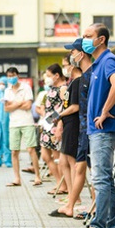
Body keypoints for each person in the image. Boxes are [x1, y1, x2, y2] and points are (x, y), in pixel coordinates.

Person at [76, 23, 115, 228]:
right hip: (99, 129)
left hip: (102, 129)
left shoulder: (108, 60)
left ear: (101, 39)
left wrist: (105, 112)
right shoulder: (98, 64)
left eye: (88, 36)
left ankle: (99, 226)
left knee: (101, 178)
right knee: (105, 177)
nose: (84, 39)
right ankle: (111, 221)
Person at [52, 38, 93, 218]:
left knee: (80, 166)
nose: (67, 64)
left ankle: (76, 201)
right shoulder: (75, 82)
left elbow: (76, 107)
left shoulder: (82, 79)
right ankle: (72, 200)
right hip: (78, 126)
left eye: (68, 60)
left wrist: (58, 116)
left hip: (80, 127)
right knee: (73, 164)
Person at [4, 67, 42, 186]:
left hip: (27, 122)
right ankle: (17, 178)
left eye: (13, 75)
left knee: (31, 149)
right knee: (14, 151)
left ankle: (37, 176)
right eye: (9, 76)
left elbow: (28, 106)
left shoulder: (25, 87)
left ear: (17, 75)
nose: (11, 78)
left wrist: (13, 104)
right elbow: (6, 108)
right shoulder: (7, 90)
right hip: (14, 123)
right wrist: (20, 102)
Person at [50, 64, 81, 199]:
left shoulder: (78, 82)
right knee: (63, 161)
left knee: (72, 162)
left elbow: (75, 106)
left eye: (65, 65)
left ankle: (75, 197)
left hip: (74, 124)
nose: (65, 68)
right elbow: (65, 105)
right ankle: (71, 193)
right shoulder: (71, 83)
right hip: (67, 124)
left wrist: (59, 116)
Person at [39, 64, 67, 192]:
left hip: (55, 124)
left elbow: (63, 107)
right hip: (47, 124)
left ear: (57, 75)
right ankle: (59, 182)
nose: (47, 79)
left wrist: (57, 123)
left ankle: (63, 185)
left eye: (49, 76)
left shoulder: (63, 88)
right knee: (45, 155)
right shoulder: (51, 88)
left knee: (57, 157)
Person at [0, 77, 12, 168]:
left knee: (6, 141)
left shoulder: (8, 96)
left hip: (7, 122)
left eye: (3, 83)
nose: (1, 85)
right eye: (0, 83)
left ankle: (7, 160)